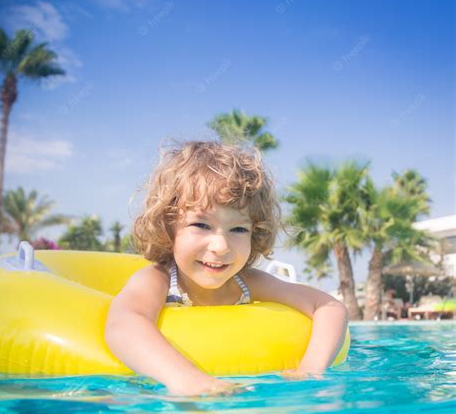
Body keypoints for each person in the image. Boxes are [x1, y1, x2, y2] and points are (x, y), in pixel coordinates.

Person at [104, 140, 349, 396]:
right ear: (168, 225)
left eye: (239, 229)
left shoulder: (248, 283)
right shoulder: (158, 279)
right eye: (201, 225)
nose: (220, 246)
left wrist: (310, 370)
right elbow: (125, 323)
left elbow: (329, 307)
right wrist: (187, 380)